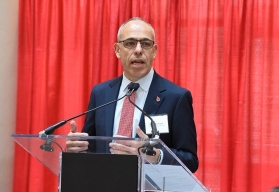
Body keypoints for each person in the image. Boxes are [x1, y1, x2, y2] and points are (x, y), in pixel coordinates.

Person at [66, 17, 198, 173]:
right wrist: (77, 149)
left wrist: (155, 156)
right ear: (117, 50)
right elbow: (93, 147)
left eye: (146, 44)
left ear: (154, 51)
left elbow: (190, 160)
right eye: (130, 43)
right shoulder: (101, 93)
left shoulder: (176, 97)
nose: (138, 50)